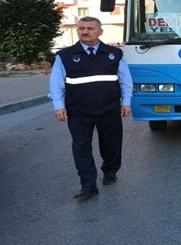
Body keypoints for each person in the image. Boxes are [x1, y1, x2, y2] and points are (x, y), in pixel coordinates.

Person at [49, 16, 133, 202]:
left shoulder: (114, 54)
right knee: (81, 149)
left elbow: (125, 80)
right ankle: (88, 186)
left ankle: (110, 171)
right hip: (79, 113)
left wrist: (126, 102)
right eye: (81, 28)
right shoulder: (65, 55)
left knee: (111, 146)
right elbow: (56, 83)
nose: (85, 32)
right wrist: (59, 105)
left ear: (100, 31)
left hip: (110, 110)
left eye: (90, 28)